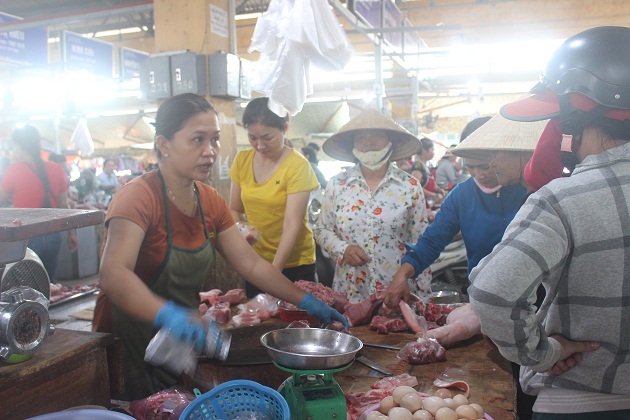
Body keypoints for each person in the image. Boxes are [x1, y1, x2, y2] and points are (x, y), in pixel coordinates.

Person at [93, 93, 347, 400]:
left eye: (214, 140)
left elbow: (251, 264)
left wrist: (305, 300)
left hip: (178, 341)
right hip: (128, 340)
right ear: (163, 145)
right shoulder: (137, 197)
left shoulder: (209, 200)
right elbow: (113, 274)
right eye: (197, 140)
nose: (210, 151)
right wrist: (167, 314)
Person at [469, 26, 630, 419]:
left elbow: (493, 294)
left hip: (583, 399)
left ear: (572, 121)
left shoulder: (563, 198)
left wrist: (543, 353)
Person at [384, 115, 546, 308]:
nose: (480, 175)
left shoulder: (533, 190)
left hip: (536, 296)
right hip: (485, 299)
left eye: (485, 166)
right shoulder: (461, 196)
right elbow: (433, 240)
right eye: (471, 167)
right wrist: (403, 273)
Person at [313, 108, 431, 303]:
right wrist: (343, 249)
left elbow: (422, 241)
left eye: (377, 135)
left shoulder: (409, 186)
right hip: (351, 291)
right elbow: (322, 229)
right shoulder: (337, 185)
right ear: (353, 144)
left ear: (390, 140)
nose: (369, 142)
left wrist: (424, 296)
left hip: (397, 291)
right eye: (361, 137)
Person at [229, 97, 319, 297]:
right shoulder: (242, 160)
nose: (259, 145)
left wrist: (273, 272)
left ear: (285, 128)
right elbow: (234, 209)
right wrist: (242, 231)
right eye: (252, 138)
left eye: (267, 137)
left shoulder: (297, 166)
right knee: (258, 322)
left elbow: (292, 224)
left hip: (294, 263)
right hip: (256, 262)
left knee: (295, 323)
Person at [0, 126, 79, 283]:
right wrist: (72, 234)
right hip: (54, 234)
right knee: (49, 284)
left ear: (19, 146)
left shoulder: (14, 170)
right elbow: (64, 207)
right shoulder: (56, 169)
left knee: (27, 286)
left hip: (26, 237)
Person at [408, 137, 445, 206]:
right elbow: (415, 186)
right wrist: (432, 195)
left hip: (427, 204)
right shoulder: (417, 166)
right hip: (419, 204)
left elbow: (432, 185)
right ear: (424, 150)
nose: (433, 153)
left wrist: (439, 190)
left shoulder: (426, 166)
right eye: (432, 150)